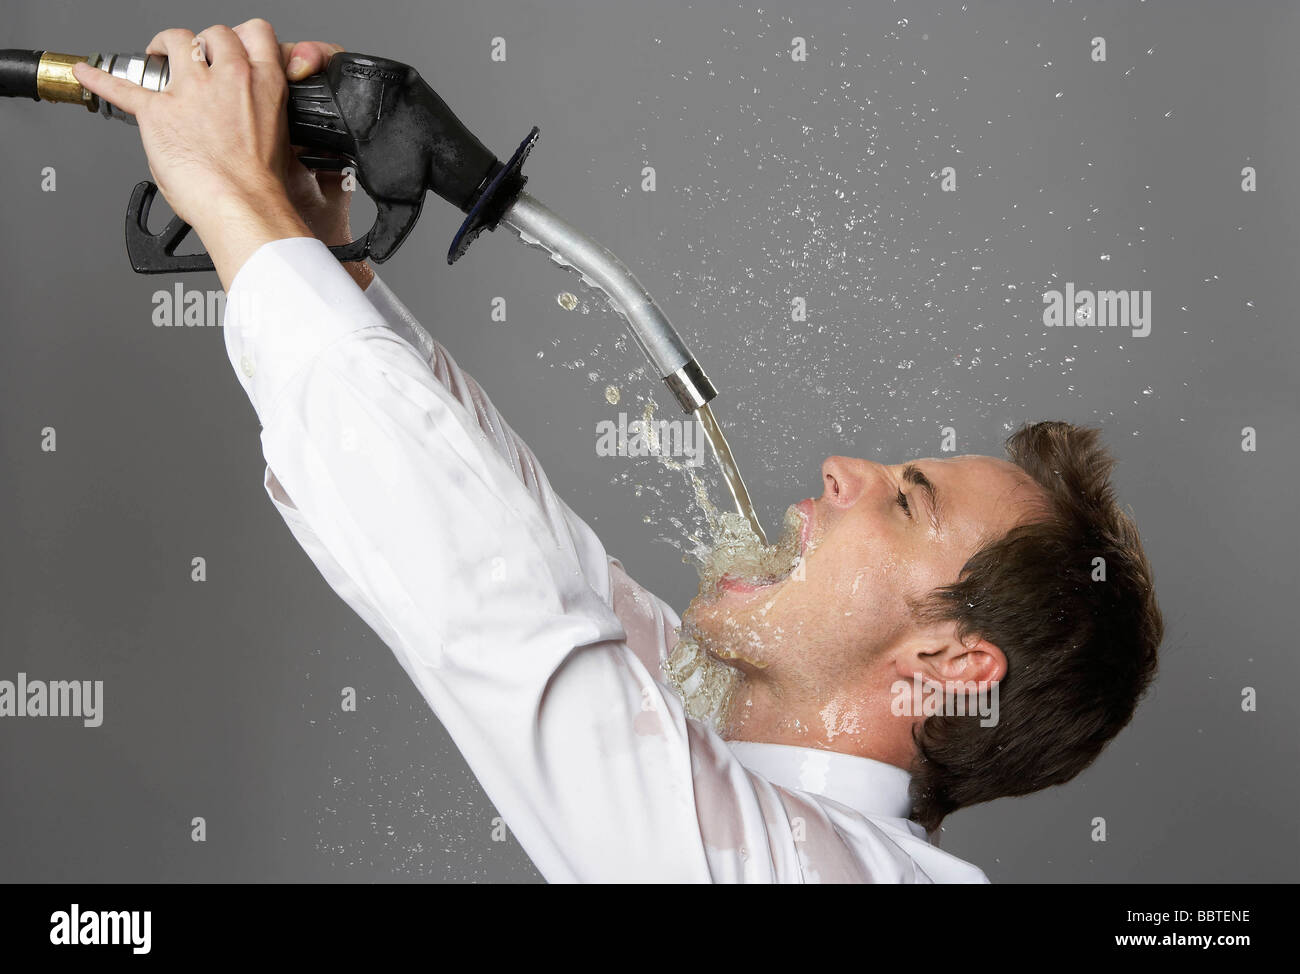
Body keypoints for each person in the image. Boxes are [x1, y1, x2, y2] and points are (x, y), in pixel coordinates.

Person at [73, 20, 1162, 883]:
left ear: (949, 667)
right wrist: (311, 244)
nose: (844, 467)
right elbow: (534, 556)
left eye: (907, 502)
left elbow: (507, 626)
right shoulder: (733, 782)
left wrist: (236, 203)